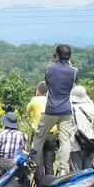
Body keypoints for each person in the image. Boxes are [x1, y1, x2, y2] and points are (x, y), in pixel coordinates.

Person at [30, 44, 77, 178]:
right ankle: (63, 169)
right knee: (65, 140)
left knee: (39, 136)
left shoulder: (49, 69)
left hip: (51, 108)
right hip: (66, 110)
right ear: (69, 57)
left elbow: (48, 83)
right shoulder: (73, 71)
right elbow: (72, 79)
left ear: (57, 55)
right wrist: (69, 65)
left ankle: (32, 164)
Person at [26, 81, 57, 187]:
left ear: (38, 90)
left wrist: (36, 96)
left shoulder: (35, 100)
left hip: (38, 134)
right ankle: (51, 185)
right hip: (51, 134)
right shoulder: (52, 99)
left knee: (37, 162)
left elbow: (27, 110)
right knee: (49, 163)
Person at [0, 112, 27, 183]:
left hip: (0, 162)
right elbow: (22, 150)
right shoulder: (20, 135)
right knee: (13, 185)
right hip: (13, 162)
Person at [69, 85, 94, 172]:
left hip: (76, 144)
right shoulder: (91, 107)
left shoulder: (70, 109)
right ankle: (88, 185)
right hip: (90, 143)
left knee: (76, 173)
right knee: (87, 172)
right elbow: (89, 101)